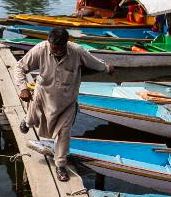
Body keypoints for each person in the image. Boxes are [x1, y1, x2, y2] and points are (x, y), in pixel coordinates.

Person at [11, 27, 112, 182]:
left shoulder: (77, 51)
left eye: (60, 48)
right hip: (43, 95)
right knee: (32, 117)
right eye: (53, 47)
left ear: (66, 44)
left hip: (67, 101)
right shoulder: (40, 49)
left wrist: (107, 68)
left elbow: (95, 63)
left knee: (64, 132)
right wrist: (23, 88)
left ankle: (60, 164)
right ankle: (26, 121)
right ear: (49, 43)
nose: (56, 50)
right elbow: (19, 68)